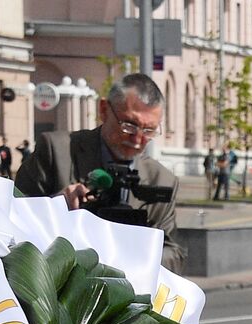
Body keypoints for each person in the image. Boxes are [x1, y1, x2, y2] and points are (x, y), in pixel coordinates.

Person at [14, 73, 185, 273]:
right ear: (104, 110)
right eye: (129, 126)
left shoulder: (162, 180)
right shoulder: (56, 151)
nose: (138, 139)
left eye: (149, 131)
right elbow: (14, 220)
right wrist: (56, 205)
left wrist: (134, 257)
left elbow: (174, 254)